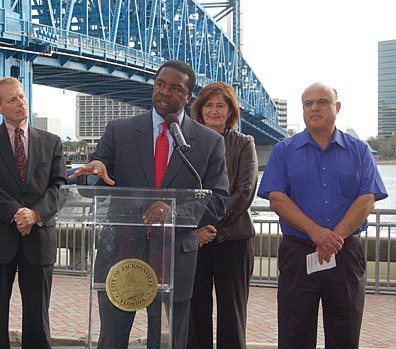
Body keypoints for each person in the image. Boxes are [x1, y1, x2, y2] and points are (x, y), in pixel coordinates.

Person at [69, 60, 230, 349]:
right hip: (119, 251)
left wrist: (175, 212)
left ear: (188, 96)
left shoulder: (208, 142)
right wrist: (93, 172)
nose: (165, 92)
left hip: (174, 257)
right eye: (160, 84)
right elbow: (92, 181)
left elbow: (219, 200)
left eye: (175, 87)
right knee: (112, 338)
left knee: (167, 340)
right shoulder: (120, 130)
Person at [257, 82, 388, 349]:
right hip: (298, 254)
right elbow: (277, 198)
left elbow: (367, 200)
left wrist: (334, 237)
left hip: (345, 255)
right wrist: (316, 233)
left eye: (322, 102)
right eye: (308, 103)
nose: (314, 107)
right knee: (294, 335)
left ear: (337, 107)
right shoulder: (284, 150)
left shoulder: (359, 151)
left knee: (345, 334)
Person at [0, 77, 67, 349]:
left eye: (21, 96)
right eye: (12, 99)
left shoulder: (51, 142)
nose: (20, 103)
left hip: (38, 238)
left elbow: (59, 186)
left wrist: (35, 215)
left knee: (38, 317)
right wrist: (16, 212)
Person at [187, 82, 258, 349]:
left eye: (221, 105)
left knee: (232, 312)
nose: (214, 111)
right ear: (200, 109)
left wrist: (210, 225)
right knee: (195, 311)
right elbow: (183, 190)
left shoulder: (243, 143)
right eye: (209, 105)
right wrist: (196, 230)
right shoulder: (188, 145)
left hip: (234, 240)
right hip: (196, 241)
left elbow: (244, 192)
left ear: (230, 111)